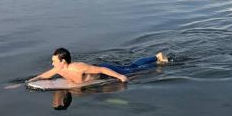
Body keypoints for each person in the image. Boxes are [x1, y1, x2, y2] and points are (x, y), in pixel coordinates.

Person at [28, 48, 169, 84]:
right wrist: (26, 83)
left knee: (131, 68)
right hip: (98, 73)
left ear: (63, 61)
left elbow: (101, 69)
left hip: (105, 71)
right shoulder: (58, 69)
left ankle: (157, 57)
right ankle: (155, 57)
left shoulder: (78, 67)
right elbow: (43, 76)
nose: (52, 63)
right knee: (130, 67)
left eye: (54, 61)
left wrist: (120, 76)